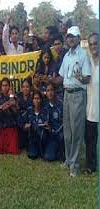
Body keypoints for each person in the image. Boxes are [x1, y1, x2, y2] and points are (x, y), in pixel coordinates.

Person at [57, 26, 91, 177]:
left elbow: (87, 78)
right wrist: (47, 79)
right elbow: (61, 77)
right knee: (68, 131)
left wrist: (80, 78)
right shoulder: (67, 56)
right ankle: (69, 160)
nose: (70, 38)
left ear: (78, 38)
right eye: (69, 36)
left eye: (73, 36)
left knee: (76, 131)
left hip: (78, 95)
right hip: (66, 94)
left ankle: (75, 165)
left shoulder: (83, 55)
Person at [18, 90, 49, 159]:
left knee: (47, 156)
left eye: (38, 98)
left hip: (43, 138)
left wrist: (47, 125)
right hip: (32, 139)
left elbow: (48, 124)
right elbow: (21, 121)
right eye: (35, 98)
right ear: (32, 100)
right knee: (32, 156)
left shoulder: (45, 111)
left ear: (41, 100)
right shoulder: (29, 110)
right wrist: (25, 126)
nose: (36, 100)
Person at [84, 33, 99, 175]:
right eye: (91, 44)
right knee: (90, 140)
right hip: (90, 108)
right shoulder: (87, 61)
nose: (94, 46)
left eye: (96, 43)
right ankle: (91, 165)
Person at [0, 77, 20, 154]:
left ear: (9, 86)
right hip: (3, 128)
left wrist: (12, 101)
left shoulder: (14, 97)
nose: (5, 88)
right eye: (3, 86)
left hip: (12, 127)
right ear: (1, 87)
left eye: (6, 85)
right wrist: (3, 108)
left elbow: (17, 113)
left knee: (13, 151)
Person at [44, 82, 64, 161]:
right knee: (47, 156)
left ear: (55, 91)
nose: (50, 93)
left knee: (50, 157)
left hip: (59, 136)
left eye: (51, 90)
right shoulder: (44, 105)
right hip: (49, 136)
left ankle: (61, 150)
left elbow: (64, 124)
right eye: (48, 90)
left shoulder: (61, 104)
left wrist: (52, 130)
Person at [17, 77, 33, 149]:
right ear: (21, 88)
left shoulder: (33, 98)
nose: (25, 89)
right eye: (23, 87)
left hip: (29, 123)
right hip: (20, 123)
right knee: (20, 145)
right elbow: (17, 112)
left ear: (30, 88)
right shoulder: (18, 96)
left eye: (27, 87)